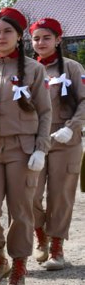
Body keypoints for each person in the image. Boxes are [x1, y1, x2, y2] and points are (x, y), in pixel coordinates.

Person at [0, 8, 52, 285]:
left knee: (21, 211)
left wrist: (41, 148)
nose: (1, 37)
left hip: (23, 149)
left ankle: (19, 268)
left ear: (19, 36)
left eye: (7, 31)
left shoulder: (34, 69)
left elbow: (45, 112)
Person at [29, 17, 85, 270]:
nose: (41, 42)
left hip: (65, 140)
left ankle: (56, 247)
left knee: (60, 196)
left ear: (58, 40)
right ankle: (40, 233)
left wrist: (71, 128)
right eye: (36, 38)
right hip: (33, 141)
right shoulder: (27, 69)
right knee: (28, 193)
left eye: (46, 37)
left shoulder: (72, 68)